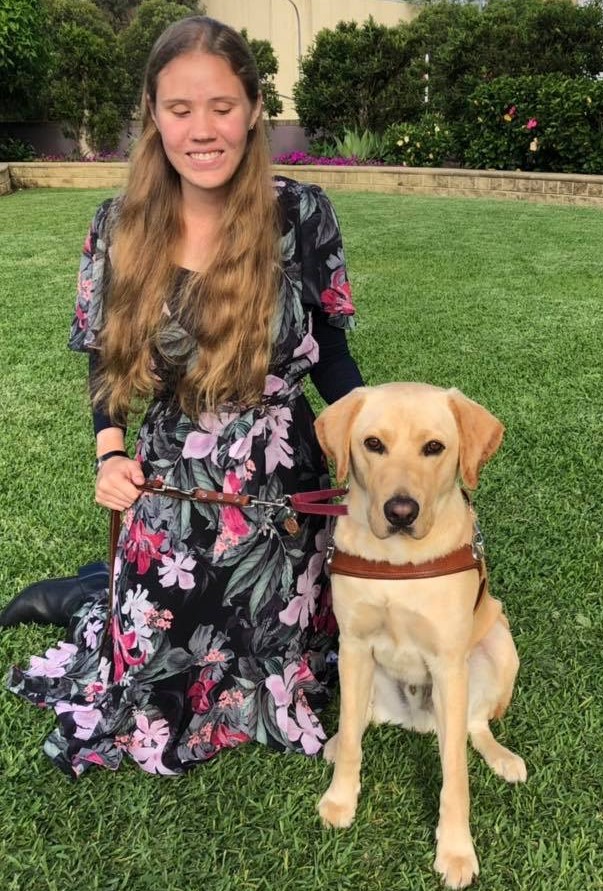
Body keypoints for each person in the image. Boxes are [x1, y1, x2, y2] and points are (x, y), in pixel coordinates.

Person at [6, 15, 363, 777]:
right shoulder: (117, 227)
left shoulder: (300, 213)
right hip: (173, 481)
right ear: (153, 114)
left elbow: (331, 354)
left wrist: (377, 441)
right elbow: (107, 362)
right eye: (180, 108)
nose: (203, 130)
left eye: (222, 106)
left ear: (254, 108)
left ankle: (95, 590)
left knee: (278, 654)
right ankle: (91, 594)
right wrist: (108, 451)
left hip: (281, 492)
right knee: (149, 662)